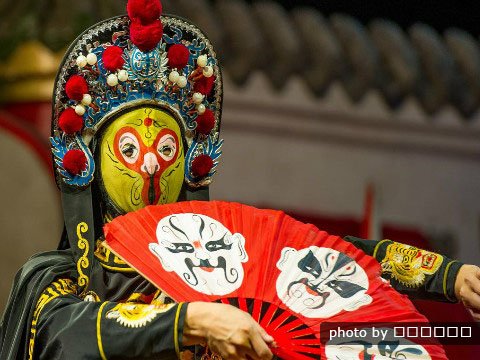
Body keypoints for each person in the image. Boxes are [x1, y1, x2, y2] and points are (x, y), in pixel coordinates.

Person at [0, 1, 479, 359]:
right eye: (129, 150)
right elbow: (63, 333)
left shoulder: (222, 260)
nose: (151, 166)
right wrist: (191, 320)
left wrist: (450, 277)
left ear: (191, 161)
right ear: (90, 162)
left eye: (167, 150)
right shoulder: (63, 280)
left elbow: (333, 262)